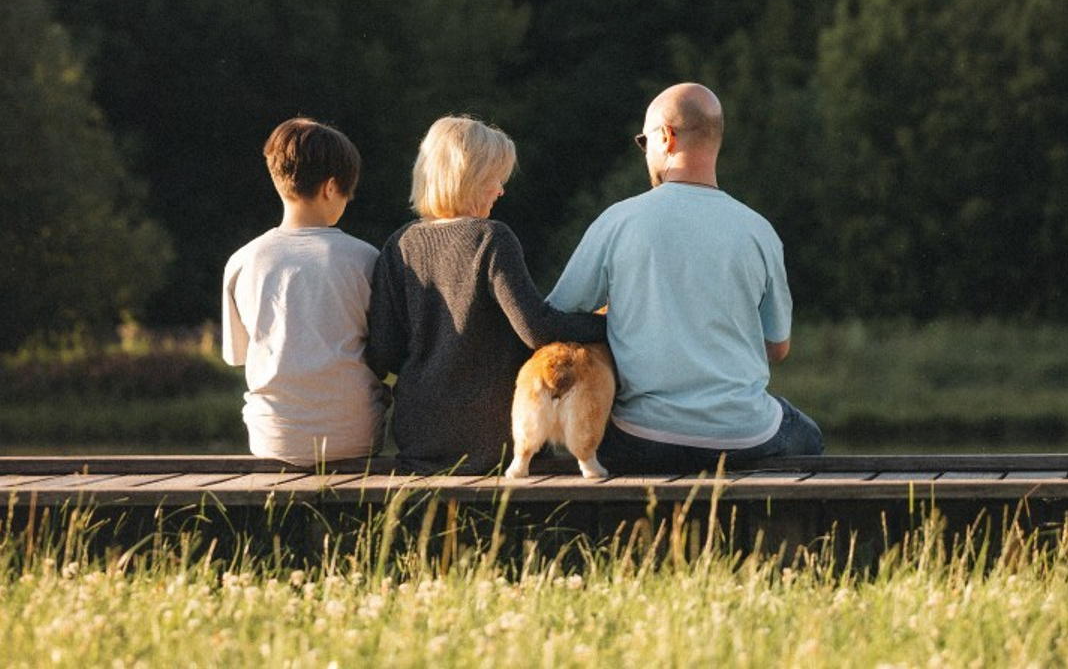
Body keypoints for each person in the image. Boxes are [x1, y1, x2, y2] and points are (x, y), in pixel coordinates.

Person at [549, 82, 823, 473]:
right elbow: (777, 348)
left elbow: (555, 317)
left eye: (645, 141)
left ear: (666, 137)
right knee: (808, 435)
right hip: (744, 436)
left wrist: (619, 327)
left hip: (641, 438)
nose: (645, 153)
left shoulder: (619, 221)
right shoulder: (759, 231)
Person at [367, 115, 607, 474]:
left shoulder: (398, 245)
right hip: (498, 440)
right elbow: (536, 329)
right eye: (495, 178)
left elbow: (383, 351)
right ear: (471, 176)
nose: (501, 189)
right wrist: (605, 324)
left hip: (421, 437)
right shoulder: (491, 238)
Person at [222, 117, 387, 466]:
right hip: (354, 437)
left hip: (274, 440)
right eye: (347, 193)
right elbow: (385, 354)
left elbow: (238, 356)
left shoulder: (242, 261)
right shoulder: (366, 259)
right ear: (331, 188)